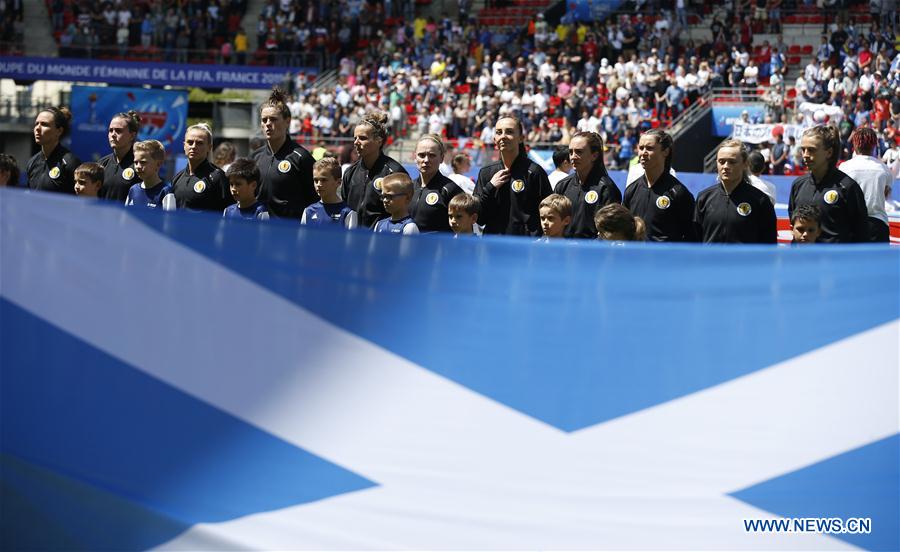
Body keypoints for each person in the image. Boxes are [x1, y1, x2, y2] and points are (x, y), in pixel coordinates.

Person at [789, 125, 869, 243]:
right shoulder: (798, 185)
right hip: (802, 260)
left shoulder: (847, 187)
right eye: (803, 149)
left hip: (836, 260)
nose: (805, 154)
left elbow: (861, 233)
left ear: (829, 152)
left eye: (811, 150)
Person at [474, 116, 552, 236]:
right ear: (494, 139)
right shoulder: (486, 173)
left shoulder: (534, 172)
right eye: (499, 132)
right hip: (493, 247)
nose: (503, 136)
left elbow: (549, 212)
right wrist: (490, 187)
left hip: (525, 248)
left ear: (521, 138)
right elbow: (478, 218)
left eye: (509, 132)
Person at [694, 140, 777, 244]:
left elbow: (769, 245)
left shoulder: (760, 201)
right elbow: (695, 241)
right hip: (710, 260)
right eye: (721, 161)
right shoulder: (704, 198)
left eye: (732, 162)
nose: (725, 166)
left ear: (745, 164)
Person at [251, 88, 316, 219]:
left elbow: (314, 201)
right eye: (264, 120)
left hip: (289, 234)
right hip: (258, 233)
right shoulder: (255, 158)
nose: (268, 124)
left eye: (273, 119)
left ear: (287, 121)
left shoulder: (301, 157)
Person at [623, 129, 695, 241]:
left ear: (665, 152)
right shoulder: (631, 191)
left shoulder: (679, 193)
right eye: (641, 148)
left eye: (649, 148)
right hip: (636, 257)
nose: (643, 153)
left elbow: (691, 237)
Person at [342, 110, 408, 228]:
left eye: (362, 138)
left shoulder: (394, 173)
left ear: (379, 141)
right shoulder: (350, 173)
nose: (356, 142)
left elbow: (403, 213)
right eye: (355, 138)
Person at [551, 131, 619, 239]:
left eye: (579, 152)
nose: (573, 157)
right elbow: (553, 222)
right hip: (563, 252)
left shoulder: (606, 188)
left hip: (591, 254)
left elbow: (609, 232)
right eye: (570, 152)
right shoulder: (562, 186)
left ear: (594, 155)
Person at [835, 127, 892, 242]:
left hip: (851, 223)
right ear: (874, 145)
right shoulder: (884, 169)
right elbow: (885, 194)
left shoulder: (844, 167)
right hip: (878, 224)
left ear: (855, 145)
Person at [168, 123, 233, 212]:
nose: (194, 146)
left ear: (209, 147)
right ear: (184, 145)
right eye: (190, 142)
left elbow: (229, 212)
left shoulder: (218, 177)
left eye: (199, 143)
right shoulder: (177, 178)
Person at [409, 134, 464, 233]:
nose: (426, 160)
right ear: (414, 157)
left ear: (442, 158)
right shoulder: (408, 188)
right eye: (421, 155)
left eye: (432, 155)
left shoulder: (451, 190)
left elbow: (465, 229)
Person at [26, 106, 81, 194]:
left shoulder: (70, 163)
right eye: (36, 124)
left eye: (44, 124)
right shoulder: (32, 162)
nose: (37, 128)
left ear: (59, 131)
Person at [301, 156, 357, 228]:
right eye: (316, 180)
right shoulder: (308, 211)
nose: (319, 184)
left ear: (338, 182)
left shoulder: (347, 213)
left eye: (324, 180)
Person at [98, 110, 140, 202]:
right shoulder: (102, 164)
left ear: (132, 135)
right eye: (110, 130)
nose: (113, 134)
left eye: (118, 130)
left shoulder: (139, 165)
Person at [125, 140, 172, 209]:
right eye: (136, 162)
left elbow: (170, 219)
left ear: (158, 164)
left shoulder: (166, 192)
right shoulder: (133, 190)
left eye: (143, 162)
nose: (138, 166)